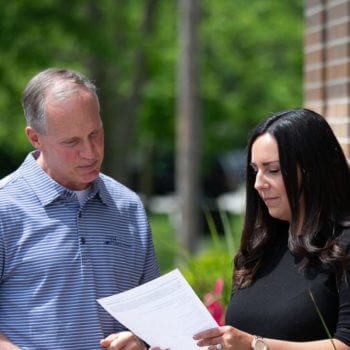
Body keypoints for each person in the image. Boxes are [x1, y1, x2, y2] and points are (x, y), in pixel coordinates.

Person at [0, 68, 160, 350]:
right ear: (35, 138)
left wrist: (142, 340)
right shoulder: (5, 208)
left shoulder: (128, 207)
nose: (90, 152)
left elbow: (154, 315)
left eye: (95, 134)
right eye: (71, 142)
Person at [191, 108, 350, 350]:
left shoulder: (344, 246)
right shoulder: (257, 251)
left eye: (272, 170)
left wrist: (256, 345)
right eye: (256, 170)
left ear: (312, 171)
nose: (258, 184)